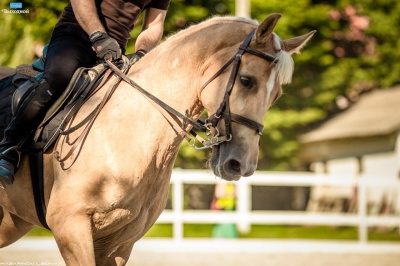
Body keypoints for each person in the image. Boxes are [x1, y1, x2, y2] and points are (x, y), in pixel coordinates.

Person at [0, 0, 171, 188]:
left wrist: (141, 53)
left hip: (113, 52)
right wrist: (98, 35)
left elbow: (154, 24)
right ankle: (9, 147)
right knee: (58, 78)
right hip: (76, 35)